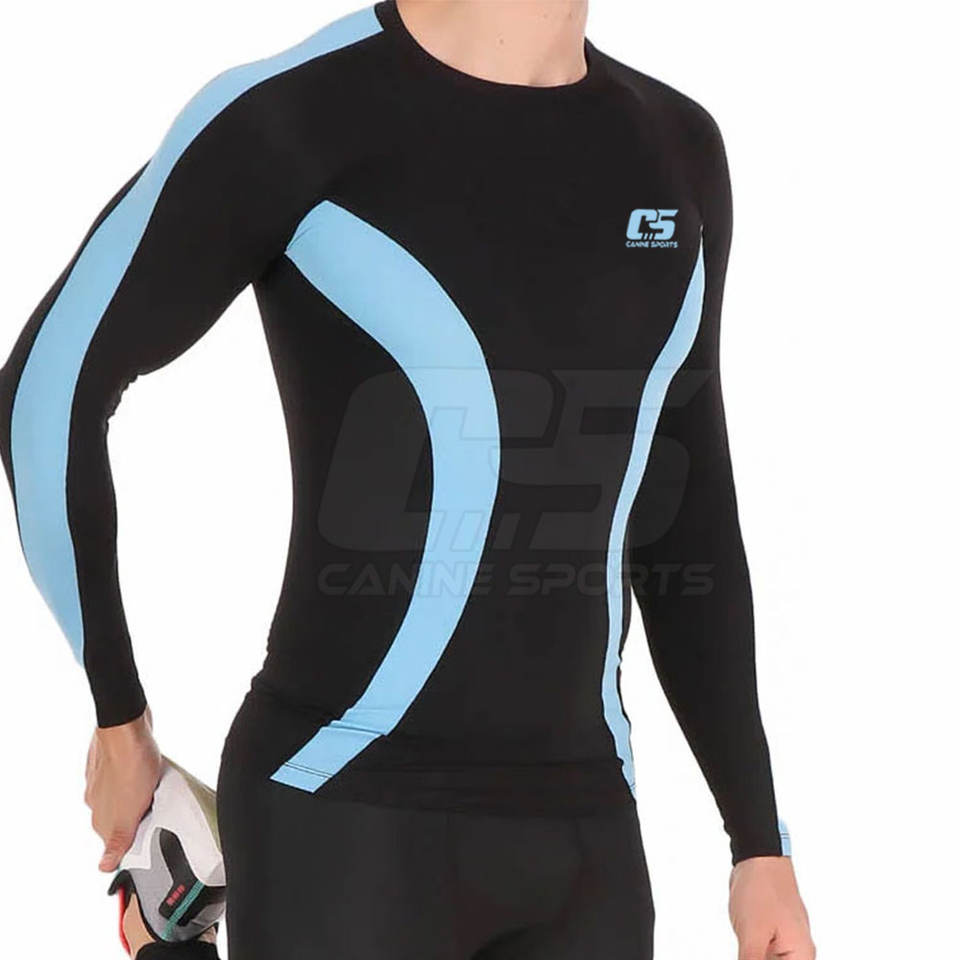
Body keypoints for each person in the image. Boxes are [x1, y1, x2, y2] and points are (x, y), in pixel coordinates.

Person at [0, 1, 815, 957]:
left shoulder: (676, 148)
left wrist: (758, 841)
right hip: (345, 814)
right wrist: (119, 719)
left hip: (589, 833)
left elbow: (686, 511)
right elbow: (47, 390)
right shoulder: (295, 115)